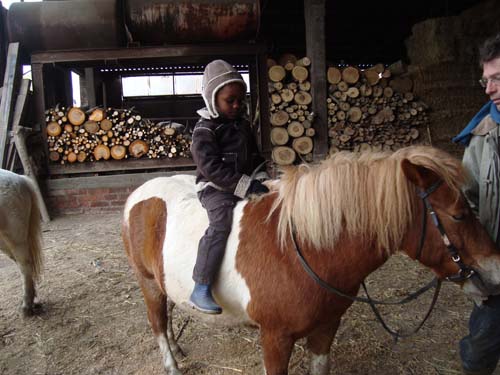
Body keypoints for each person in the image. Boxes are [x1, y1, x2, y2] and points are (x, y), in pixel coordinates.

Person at [189, 59, 269, 314]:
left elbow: (255, 157)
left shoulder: (243, 125)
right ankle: (201, 285)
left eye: (239, 99)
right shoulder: (204, 130)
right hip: (215, 188)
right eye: (229, 100)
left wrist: (264, 178)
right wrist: (247, 186)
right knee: (221, 223)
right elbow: (212, 169)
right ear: (213, 99)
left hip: (245, 184)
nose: (236, 105)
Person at [453, 32, 500, 375]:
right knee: (478, 356)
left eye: (497, 78)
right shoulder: (482, 137)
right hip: (498, 275)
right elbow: (466, 200)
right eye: (486, 80)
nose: (488, 89)